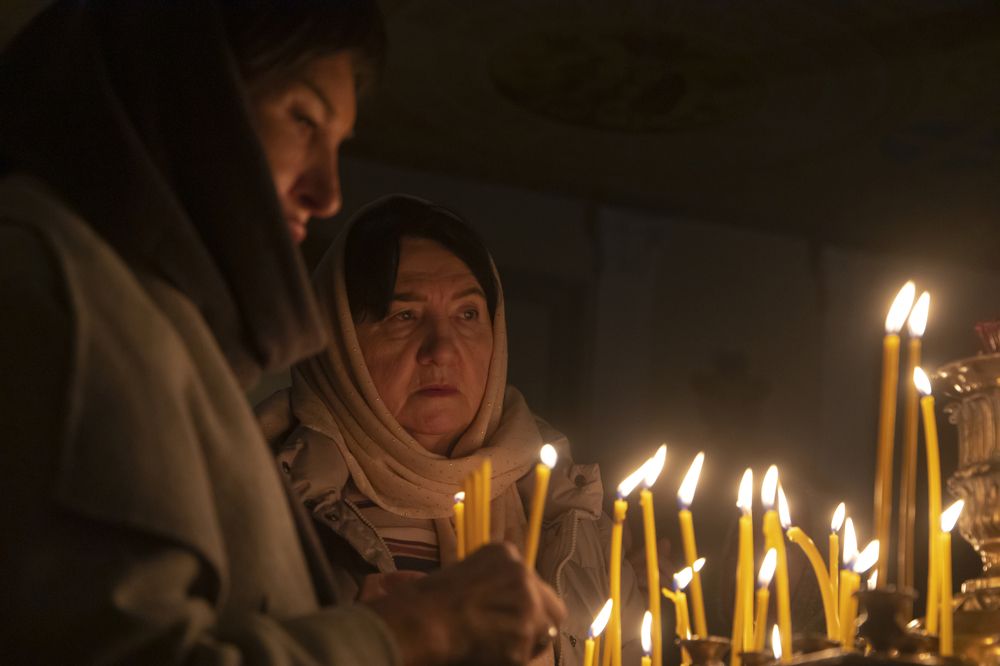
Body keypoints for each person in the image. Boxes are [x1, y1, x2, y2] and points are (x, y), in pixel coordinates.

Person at [0, 1, 564, 664]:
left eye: (469, 315)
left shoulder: (147, 320)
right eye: (303, 119)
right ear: (188, 92)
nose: (327, 192)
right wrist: (413, 630)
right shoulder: (66, 291)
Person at [256, 195, 645, 665]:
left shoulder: (569, 511)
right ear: (340, 342)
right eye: (404, 316)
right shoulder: (263, 493)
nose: (442, 350)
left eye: (467, 315)